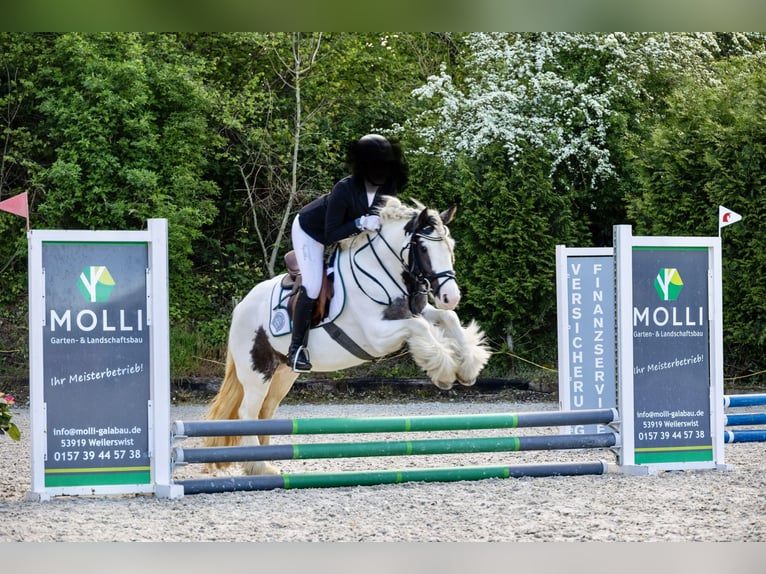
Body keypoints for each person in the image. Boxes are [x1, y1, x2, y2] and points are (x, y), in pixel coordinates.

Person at [287, 133, 409, 372]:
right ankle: (296, 351)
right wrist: (360, 223)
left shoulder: (389, 187)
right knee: (312, 286)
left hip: (352, 236)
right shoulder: (344, 189)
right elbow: (331, 234)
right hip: (312, 231)